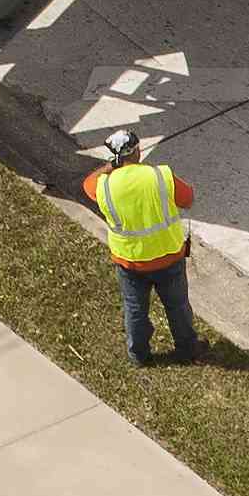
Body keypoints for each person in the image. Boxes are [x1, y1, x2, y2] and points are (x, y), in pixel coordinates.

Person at [89, 141, 198, 365]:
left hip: (130, 262)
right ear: (138, 151)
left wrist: (111, 166)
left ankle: (138, 355)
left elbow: (87, 184)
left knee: (135, 309)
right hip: (167, 256)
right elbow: (187, 199)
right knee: (177, 306)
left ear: (116, 157)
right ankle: (187, 348)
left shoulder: (105, 185)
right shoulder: (159, 175)